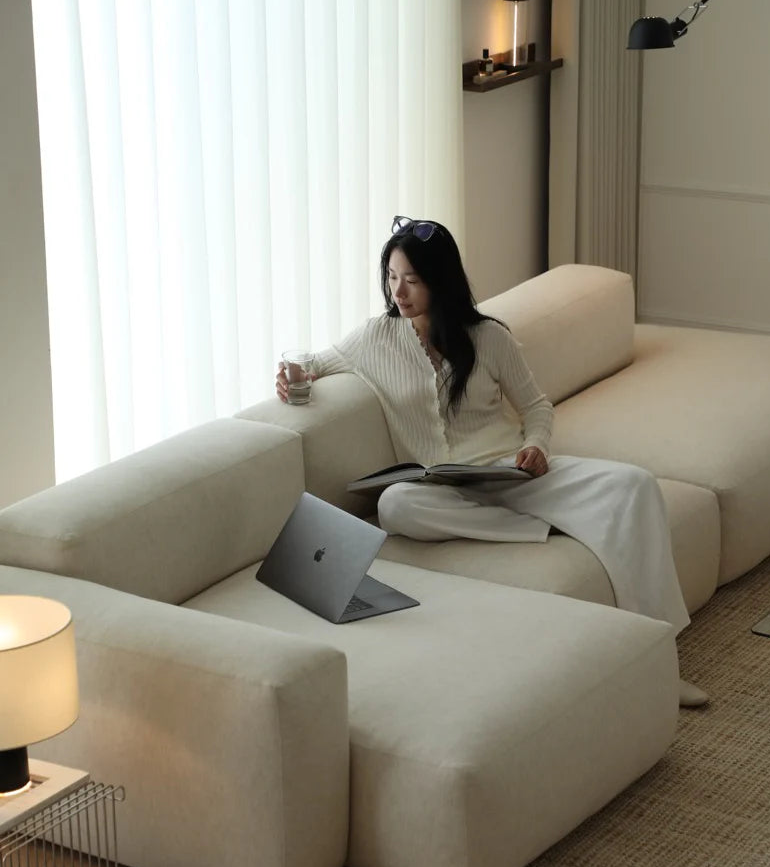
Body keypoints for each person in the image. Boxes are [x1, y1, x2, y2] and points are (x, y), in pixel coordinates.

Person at [275, 216, 708, 707]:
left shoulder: (489, 337)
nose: (400, 291)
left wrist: (537, 449)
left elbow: (537, 407)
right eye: (392, 277)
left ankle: (662, 662)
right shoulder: (374, 339)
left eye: (413, 280)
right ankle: (548, 523)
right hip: (441, 489)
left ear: (442, 281)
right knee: (394, 505)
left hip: (511, 471)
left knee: (636, 485)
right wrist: (291, 374)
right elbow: (314, 362)